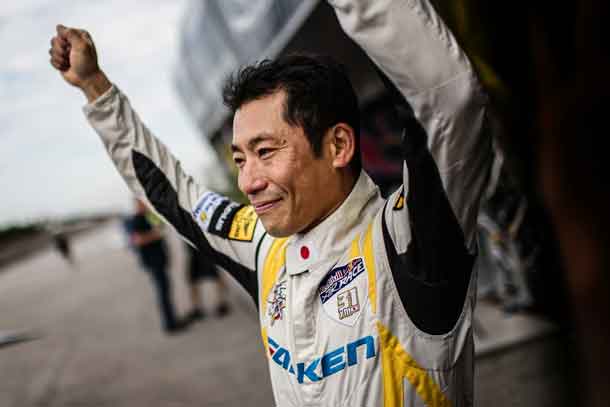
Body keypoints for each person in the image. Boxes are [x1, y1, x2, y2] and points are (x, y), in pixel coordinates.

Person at [49, 0, 490, 404]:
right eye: (239, 158)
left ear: (338, 145)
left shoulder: (405, 239)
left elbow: (448, 104)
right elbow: (173, 194)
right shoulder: (264, 246)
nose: (248, 181)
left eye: (265, 152)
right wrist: (96, 89)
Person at [127, 199, 184, 335]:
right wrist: (156, 234)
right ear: (138, 204)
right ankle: (170, 324)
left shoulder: (148, 216)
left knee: (166, 290)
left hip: (159, 259)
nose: (147, 204)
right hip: (153, 262)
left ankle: (172, 319)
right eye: (143, 202)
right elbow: (137, 240)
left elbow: (160, 226)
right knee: (162, 292)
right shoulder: (136, 219)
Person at [184, 241, 231, 321]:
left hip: (203, 247)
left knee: (216, 276)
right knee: (193, 280)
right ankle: (197, 307)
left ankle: (222, 303)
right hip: (193, 249)